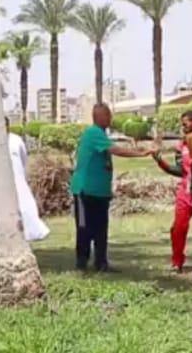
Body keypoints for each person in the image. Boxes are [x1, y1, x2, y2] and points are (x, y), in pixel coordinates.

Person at [70, 103, 151, 272]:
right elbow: (116, 150)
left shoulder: (101, 134)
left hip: (100, 192)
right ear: (97, 116)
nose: (110, 118)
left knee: (101, 229)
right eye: (107, 115)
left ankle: (101, 263)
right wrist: (140, 154)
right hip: (85, 190)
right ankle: (81, 264)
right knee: (85, 229)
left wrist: (141, 149)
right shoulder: (93, 133)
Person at [153, 110, 192, 273]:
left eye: (185, 124)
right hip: (186, 192)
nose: (183, 127)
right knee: (178, 228)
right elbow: (180, 170)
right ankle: (177, 261)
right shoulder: (181, 146)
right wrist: (160, 161)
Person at [6, 119, 49, 242]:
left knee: (25, 204)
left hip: (18, 176)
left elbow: (23, 157)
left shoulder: (16, 140)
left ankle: (31, 231)